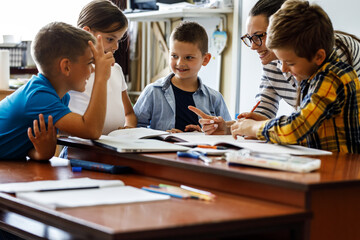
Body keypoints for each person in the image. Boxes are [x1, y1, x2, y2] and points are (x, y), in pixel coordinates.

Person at [191, 0, 360, 135]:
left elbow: (302, 124)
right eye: (249, 38)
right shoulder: (275, 62)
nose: (253, 46)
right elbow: (264, 116)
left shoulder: (329, 61)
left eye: (258, 37)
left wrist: (255, 128)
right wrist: (230, 127)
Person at [231, 0, 360, 153]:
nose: (283, 68)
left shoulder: (331, 76)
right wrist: (238, 126)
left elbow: (297, 128)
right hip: (327, 162)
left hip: (340, 168)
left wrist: (254, 127)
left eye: (290, 63)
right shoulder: (314, 71)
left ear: (318, 56)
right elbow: (309, 128)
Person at [0, 22, 114, 160]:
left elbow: (17, 146)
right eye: (90, 62)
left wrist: (43, 154)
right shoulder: (39, 96)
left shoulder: (60, 97)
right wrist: (101, 79)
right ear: (66, 67)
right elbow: (91, 130)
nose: (94, 69)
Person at [133, 21, 231, 132]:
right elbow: (135, 129)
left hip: (201, 149)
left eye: (188, 57)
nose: (180, 63)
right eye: (174, 56)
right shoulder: (153, 91)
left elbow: (226, 132)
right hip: (163, 149)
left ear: (205, 59)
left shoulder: (215, 98)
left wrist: (201, 134)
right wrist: (162, 136)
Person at [69, 0, 136, 134]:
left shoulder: (116, 69)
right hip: (81, 148)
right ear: (87, 33)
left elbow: (129, 114)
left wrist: (129, 128)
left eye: (118, 40)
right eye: (110, 39)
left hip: (114, 146)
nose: (116, 47)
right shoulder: (71, 71)